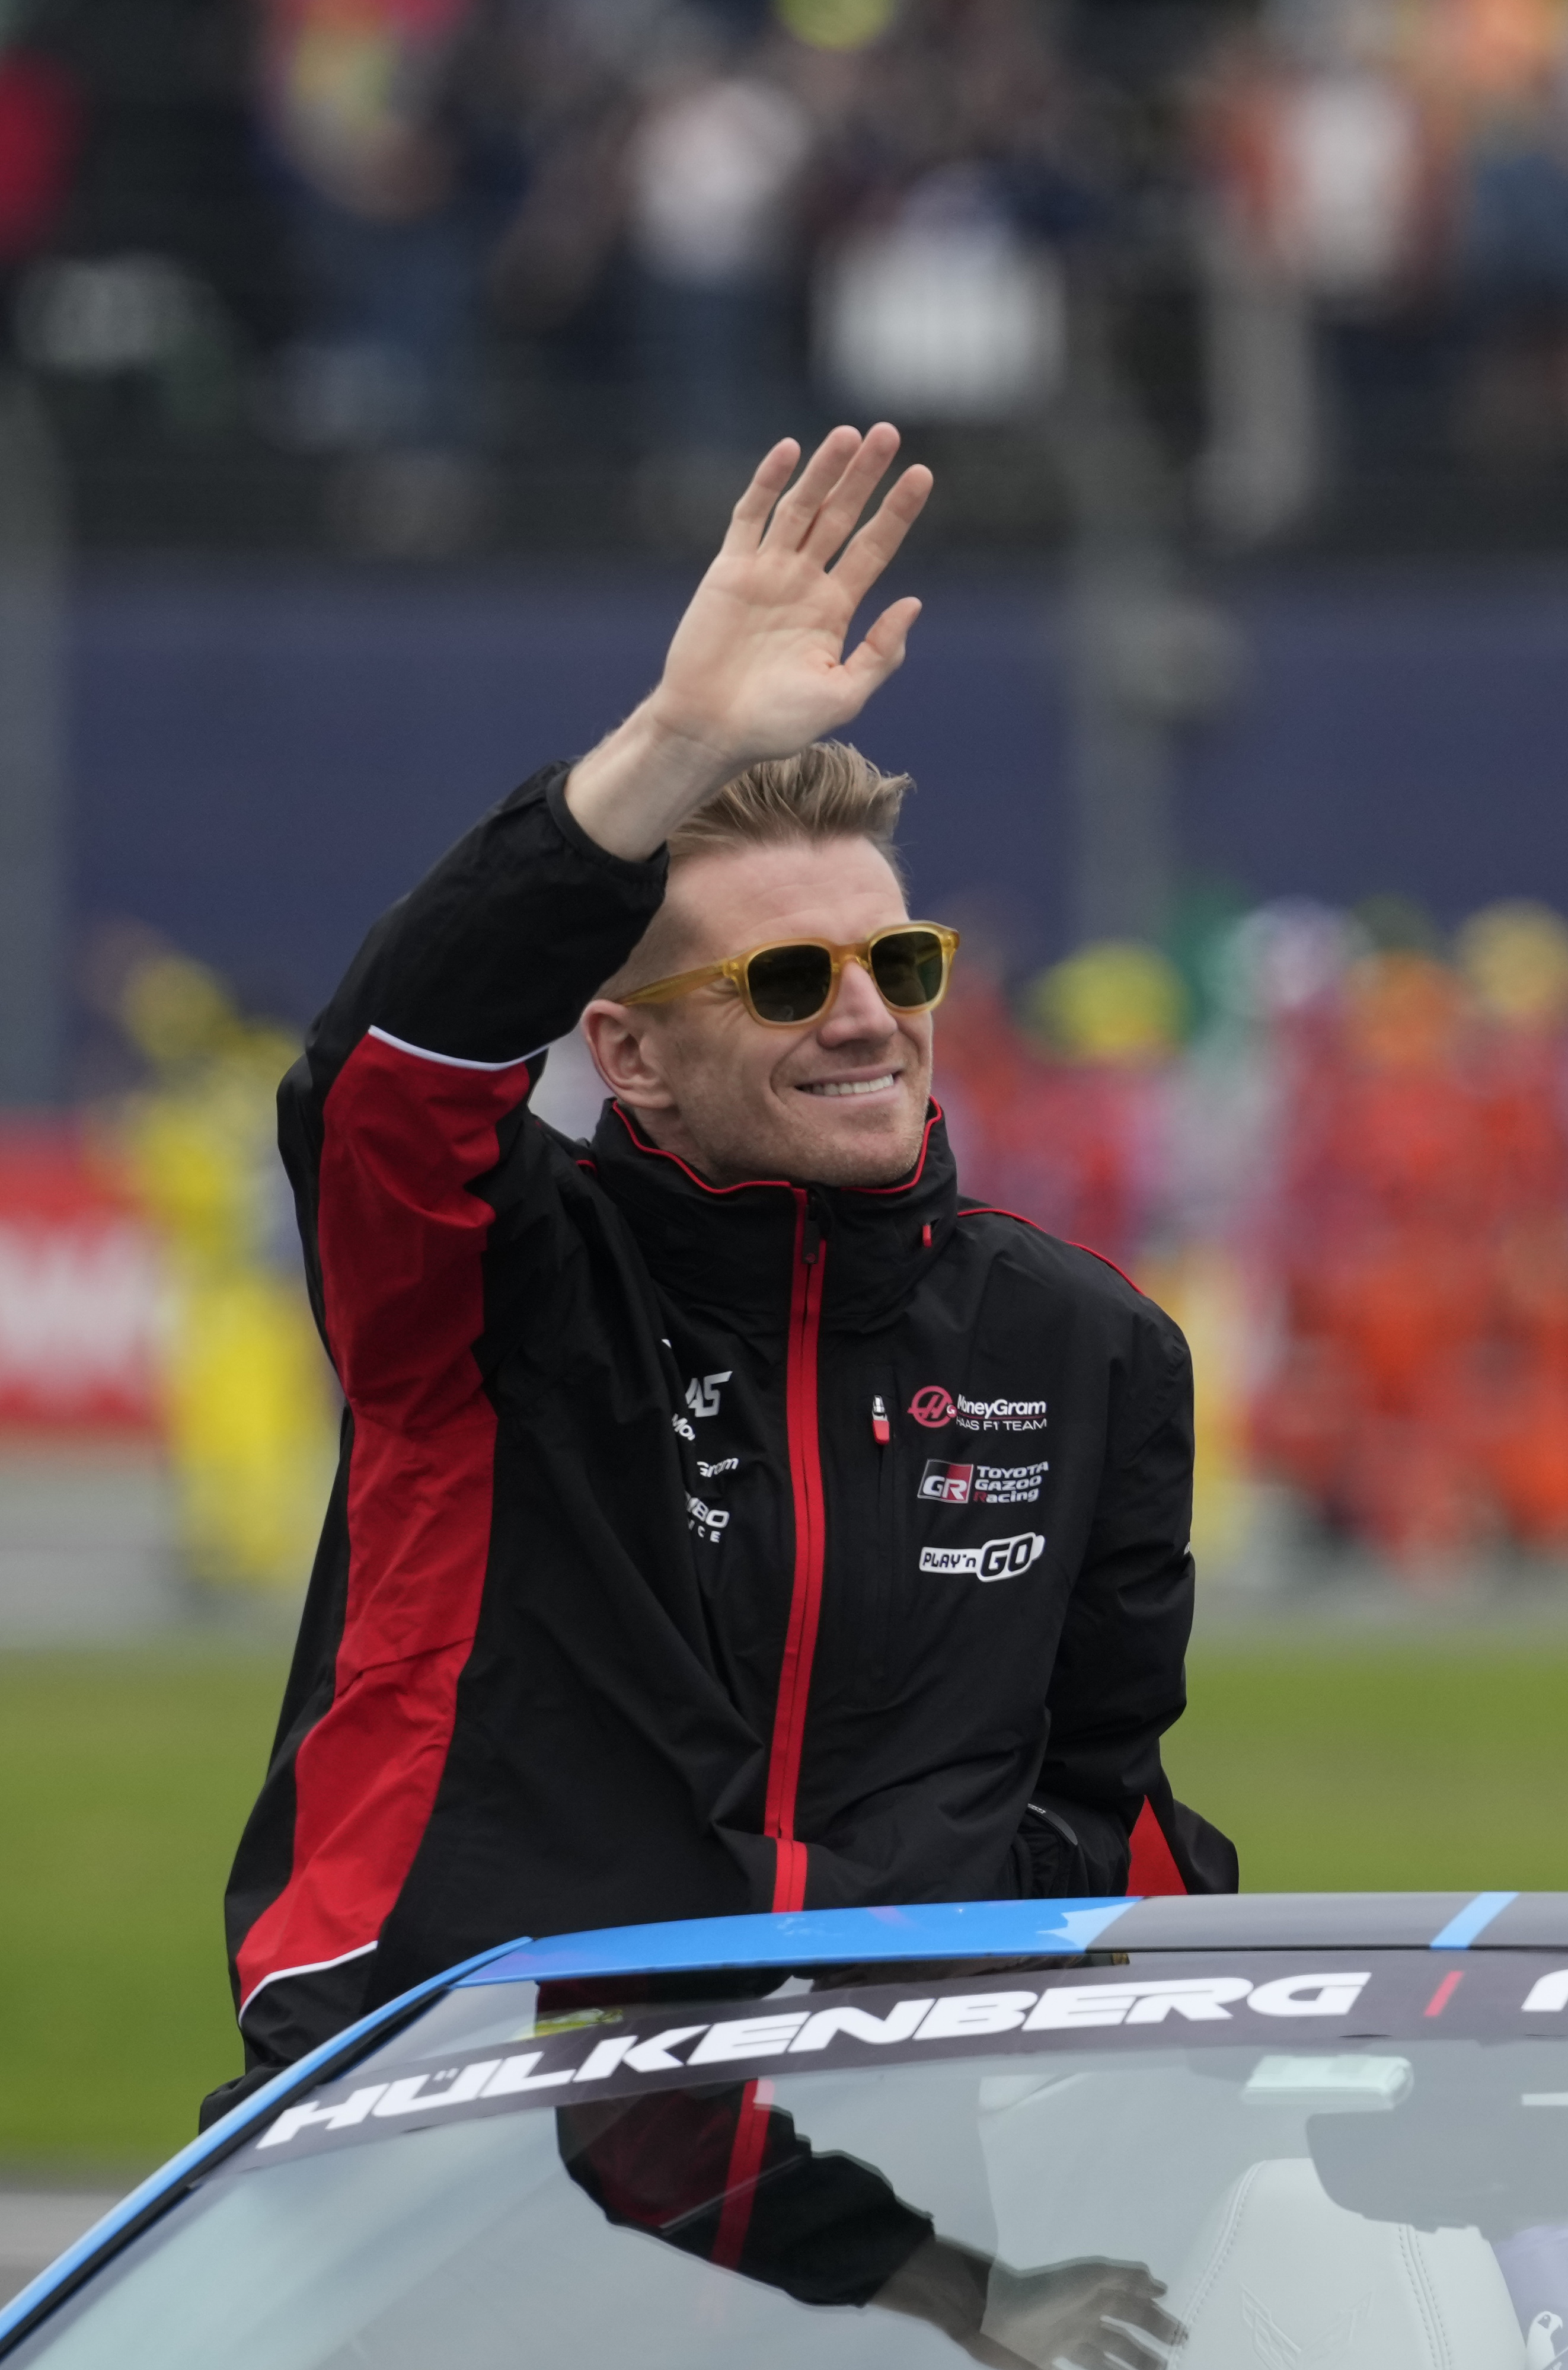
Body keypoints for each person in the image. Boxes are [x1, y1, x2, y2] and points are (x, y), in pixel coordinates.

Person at [216, 426, 1237, 2109]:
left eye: (897, 958)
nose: (864, 1013)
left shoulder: (1084, 1342)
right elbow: (386, 1074)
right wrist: (676, 745)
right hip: (460, 2096)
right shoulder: (487, 1283)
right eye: (783, 978)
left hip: (897, 2130)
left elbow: (1096, 1791)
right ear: (622, 1051)